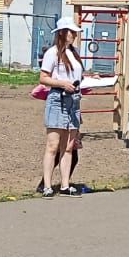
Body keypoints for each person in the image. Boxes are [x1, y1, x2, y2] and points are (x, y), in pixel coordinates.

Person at [38, 18, 84, 198]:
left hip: (74, 99)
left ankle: (65, 184)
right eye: (70, 32)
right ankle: (47, 185)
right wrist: (62, 83)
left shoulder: (75, 53)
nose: (73, 35)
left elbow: (77, 76)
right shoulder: (53, 53)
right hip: (58, 98)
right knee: (53, 145)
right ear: (61, 33)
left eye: (74, 32)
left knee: (68, 146)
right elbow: (43, 78)